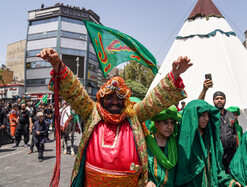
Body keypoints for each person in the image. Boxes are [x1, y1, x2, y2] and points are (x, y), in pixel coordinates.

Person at [37, 48, 192, 186]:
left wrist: (175, 74)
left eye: (119, 98)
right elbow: (75, 91)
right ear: (102, 99)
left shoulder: (133, 114)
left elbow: (154, 101)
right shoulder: (92, 112)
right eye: (110, 97)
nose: (115, 102)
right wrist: (57, 64)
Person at [176, 99, 238, 186]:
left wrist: (230, 183)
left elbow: (216, 168)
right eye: (202, 115)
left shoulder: (210, 139)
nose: (207, 119)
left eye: (208, 115)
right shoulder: (182, 142)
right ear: (193, 116)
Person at [199, 85, 237, 174]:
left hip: (231, 152)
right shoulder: (211, 114)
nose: (219, 100)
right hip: (216, 152)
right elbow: (198, 104)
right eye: (216, 98)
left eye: (221, 98)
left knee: (231, 173)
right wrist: (204, 89)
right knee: (218, 173)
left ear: (225, 100)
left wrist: (239, 150)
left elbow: (235, 134)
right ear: (213, 101)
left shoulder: (231, 114)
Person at [145, 105, 181, 187]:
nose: (169, 127)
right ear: (156, 124)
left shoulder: (176, 143)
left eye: (172, 123)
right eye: (165, 122)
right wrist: (146, 182)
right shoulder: (146, 143)